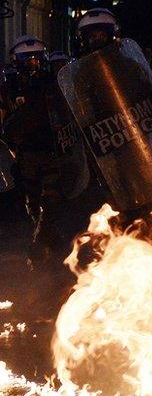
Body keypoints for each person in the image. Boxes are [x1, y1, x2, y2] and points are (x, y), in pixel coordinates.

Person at [0, 36, 81, 269]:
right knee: (31, 200)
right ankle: (45, 236)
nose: (33, 64)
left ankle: (46, 241)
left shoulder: (52, 84)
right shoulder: (9, 88)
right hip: (24, 153)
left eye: (36, 60)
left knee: (52, 197)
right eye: (27, 60)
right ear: (17, 62)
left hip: (51, 150)